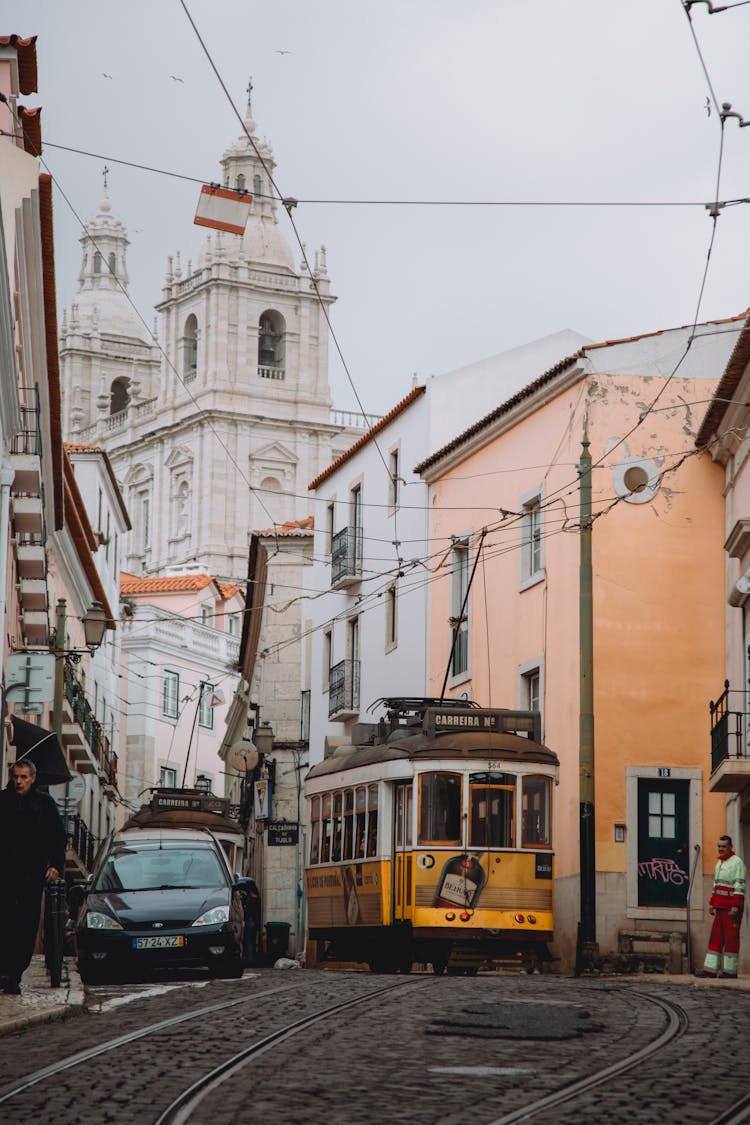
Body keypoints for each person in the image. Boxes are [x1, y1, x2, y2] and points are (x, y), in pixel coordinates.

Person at [0, 759, 67, 994]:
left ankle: (15, 973)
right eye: (16, 776)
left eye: (24, 777)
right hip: (4, 873)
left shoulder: (45, 804)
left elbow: (59, 837)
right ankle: (4, 970)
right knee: (4, 922)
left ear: (33, 778)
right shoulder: (3, 801)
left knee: (26, 924)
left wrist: (55, 866)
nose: (19, 781)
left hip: (31, 874)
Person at [694, 834, 747, 979]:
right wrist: (712, 904)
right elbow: (716, 885)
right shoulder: (719, 863)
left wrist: (735, 906)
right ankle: (710, 970)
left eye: (724, 846)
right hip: (721, 907)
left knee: (731, 939)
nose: (721, 849)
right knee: (715, 938)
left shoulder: (737, 863)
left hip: (731, 909)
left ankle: (730, 972)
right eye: (719, 846)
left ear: (730, 847)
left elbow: (739, 886)